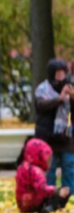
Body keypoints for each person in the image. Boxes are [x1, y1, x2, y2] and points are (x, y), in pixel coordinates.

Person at [35, 59, 74, 189]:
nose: (61, 75)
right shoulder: (42, 88)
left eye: (63, 72)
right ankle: (48, 196)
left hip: (66, 136)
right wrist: (59, 98)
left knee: (68, 166)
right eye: (57, 72)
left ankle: (69, 196)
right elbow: (41, 107)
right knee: (49, 169)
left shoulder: (70, 87)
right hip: (47, 135)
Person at [16, 138, 70, 213]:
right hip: (34, 204)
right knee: (65, 192)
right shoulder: (36, 171)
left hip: (23, 204)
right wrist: (56, 191)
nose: (49, 162)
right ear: (40, 156)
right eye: (48, 159)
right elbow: (42, 189)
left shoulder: (22, 167)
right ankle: (49, 208)